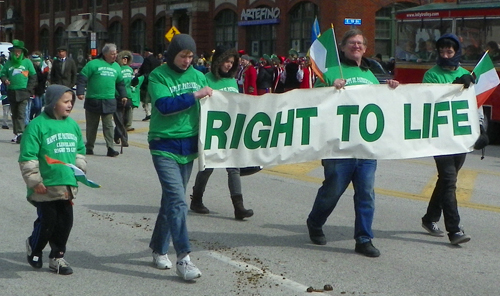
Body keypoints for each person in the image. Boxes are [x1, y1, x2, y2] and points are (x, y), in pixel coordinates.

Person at [306, 29, 399, 258]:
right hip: (338, 145)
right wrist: (330, 88)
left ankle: (364, 239)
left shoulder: (371, 73)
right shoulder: (330, 72)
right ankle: (315, 222)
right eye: (351, 43)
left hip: (366, 146)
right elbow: (313, 101)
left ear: (365, 49)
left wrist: (392, 89)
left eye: (360, 43)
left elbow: (381, 102)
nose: (356, 46)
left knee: (366, 193)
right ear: (343, 48)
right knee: (333, 189)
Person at [147, 34, 212, 281]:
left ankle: (158, 248)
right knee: (178, 202)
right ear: (172, 53)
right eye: (183, 55)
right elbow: (164, 105)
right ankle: (183, 257)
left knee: (171, 202)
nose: (187, 60)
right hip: (164, 145)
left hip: (189, 146)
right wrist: (195, 95)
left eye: (190, 56)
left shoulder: (198, 75)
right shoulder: (158, 75)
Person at [19, 84, 86, 275]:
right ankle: (35, 246)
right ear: (52, 102)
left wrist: (79, 169)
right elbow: (28, 157)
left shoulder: (72, 125)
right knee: (48, 221)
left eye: (71, 101)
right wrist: (34, 181)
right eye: (65, 101)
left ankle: (57, 257)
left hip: (66, 184)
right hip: (45, 185)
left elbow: (79, 150)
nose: (69, 105)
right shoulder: (37, 125)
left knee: (65, 222)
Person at [420, 33, 478, 245]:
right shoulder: (431, 75)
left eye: (449, 51)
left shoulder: (467, 74)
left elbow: (475, 105)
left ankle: (429, 218)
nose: (445, 55)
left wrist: (480, 129)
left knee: (445, 181)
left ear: (457, 52)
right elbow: (431, 100)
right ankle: (454, 230)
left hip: (460, 137)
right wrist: (455, 85)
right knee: (450, 181)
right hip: (440, 136)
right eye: (442, 51)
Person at [189, 45, 254, 220]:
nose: (228, 65)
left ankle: (238, 207)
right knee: (208, 167)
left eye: (231, 62)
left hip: (231, 130)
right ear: (218, 61)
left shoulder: (233, 81)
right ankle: (196, 199)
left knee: (233, 168)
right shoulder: (205, 79)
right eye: (226, 61)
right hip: (212, 130)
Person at [76, 43, 127, 157]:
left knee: (108, 125)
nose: (115, 56)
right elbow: (82, 78)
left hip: (109, 100)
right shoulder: (93, 64)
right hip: (93, 100)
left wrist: (124, 95)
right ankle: (89, 147)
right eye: (112, 54)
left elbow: (120, 83)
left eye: (116, 53)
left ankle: (110, 148)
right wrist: (80, 92)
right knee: (92, 126)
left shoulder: (116, 67)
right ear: (105, 54)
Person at [0, 39, 37, 144]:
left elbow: (33, 76)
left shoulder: (27, 62)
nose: (16, 53)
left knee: (21, 113)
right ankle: (16, 133)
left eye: (18, 51)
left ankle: (21, 133)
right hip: (12, 91)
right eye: (15, 51)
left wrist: (29, 89)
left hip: (23, 91)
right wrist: (5, 79)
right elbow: (3, 74)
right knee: (14, 114)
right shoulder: (8, 63)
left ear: (22, 52)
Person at [133, 47, 161, 121]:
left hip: (147, 82)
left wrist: (138, 75)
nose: (144, 54)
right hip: (156, 82)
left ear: (147, 53)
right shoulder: (157, 61)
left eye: (145, 52)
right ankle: (155, 113)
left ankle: (148, 113)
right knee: (153, 98)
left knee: (144, 99)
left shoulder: (147, 60)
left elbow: (144, 71)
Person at [113, 50, 134, 148]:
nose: (125, 60)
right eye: (123, 58)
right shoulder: (117, 69)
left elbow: (132, 82)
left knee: (126, 121)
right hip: (118, 97)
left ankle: (117, 134)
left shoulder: (130, 70)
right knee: (119, 120)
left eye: (127, 59)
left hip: (128, 97)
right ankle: (124, 140)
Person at [30, 54, 48, 120]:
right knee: (37, 106)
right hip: (34, 90)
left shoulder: (42, 68)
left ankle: (37, 119)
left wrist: (45, 73)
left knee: (40, 106)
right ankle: (30, 115)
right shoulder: (33, 69)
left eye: (38, 61)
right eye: (36, 61)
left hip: (41, 90)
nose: (38, 62)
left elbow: (43, 79)